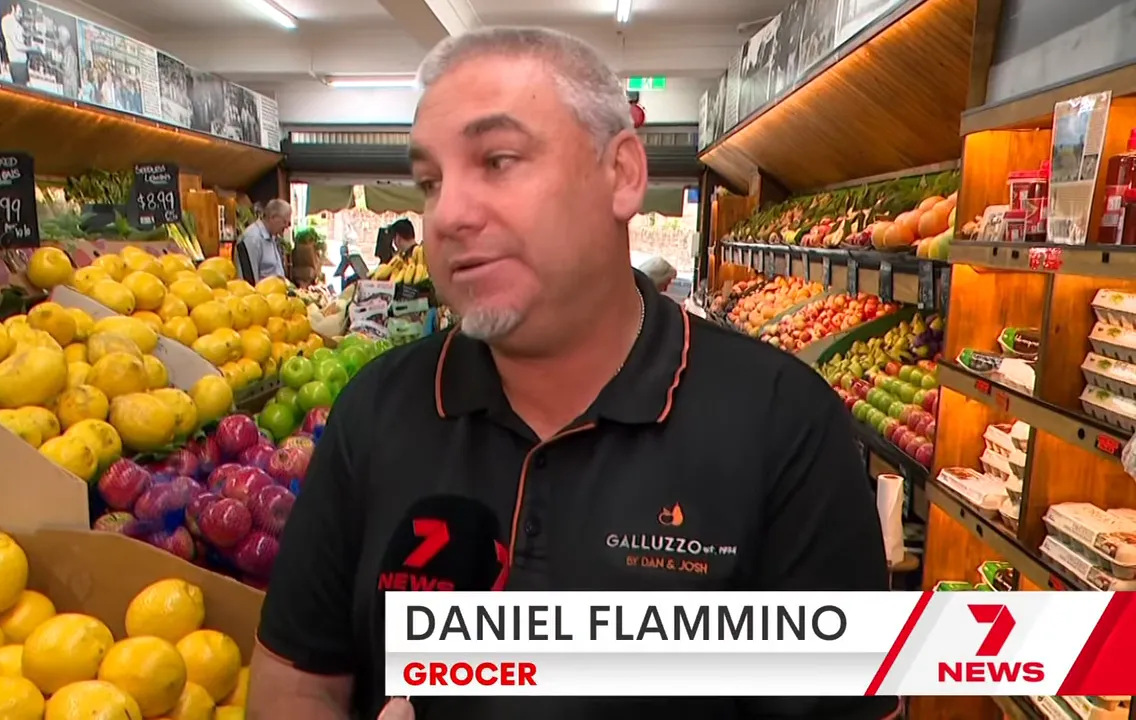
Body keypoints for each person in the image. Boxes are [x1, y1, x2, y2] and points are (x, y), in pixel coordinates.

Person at [250, 26, 896, 720]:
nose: (450, 216)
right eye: (431, 182)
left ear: (621, 174)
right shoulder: (375, 412)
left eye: (497, 161)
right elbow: (299, 681)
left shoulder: (784, 423)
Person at [236, 199, 290, 284]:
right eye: (285, 222)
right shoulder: (252, 238)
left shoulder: (273, 237)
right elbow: (249, 280)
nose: (287, 226)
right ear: (273, 217)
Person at [0, 1, 29, 85]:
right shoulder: (7, 20)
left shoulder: (19, 26)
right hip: (17, 63)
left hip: (23, 63)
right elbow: (17, 45)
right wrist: (34, 49)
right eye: (19, 12)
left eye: (22, 13)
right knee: (20, 90)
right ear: (13, 8)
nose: (21, 15)